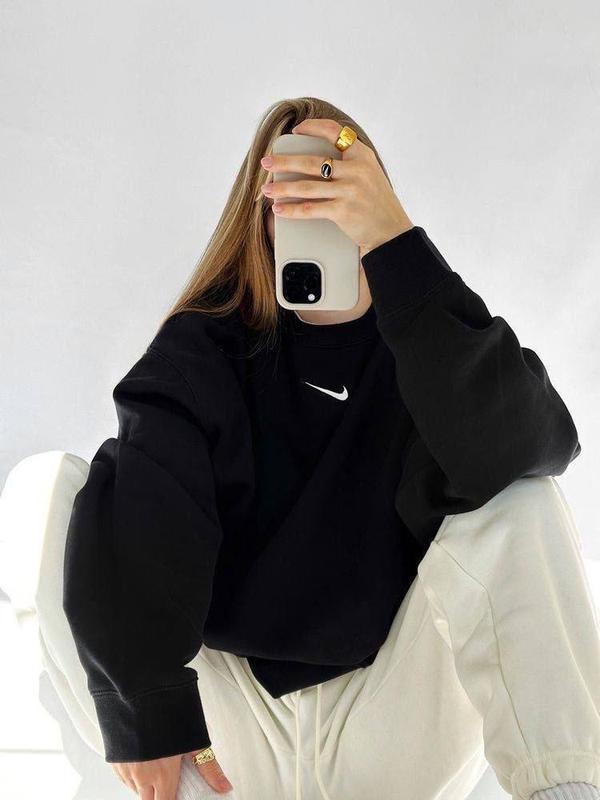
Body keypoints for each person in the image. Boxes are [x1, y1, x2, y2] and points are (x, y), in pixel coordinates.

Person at [15, 98, 600, 800]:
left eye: (334, 181)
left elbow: (529, 444)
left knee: (518, 495)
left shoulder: (428, 345)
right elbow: (145, 517)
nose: (313, 204)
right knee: (55, 487)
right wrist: (150, 708)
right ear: (259, 213)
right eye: (291, 188)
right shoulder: (204, 349)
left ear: (377, 194)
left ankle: (564, 791)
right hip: (233, 732)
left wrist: (397, 247)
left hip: (390, 715)